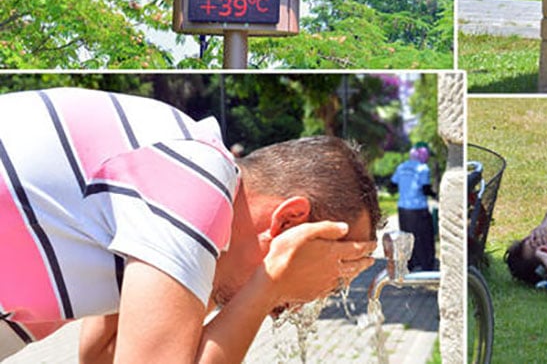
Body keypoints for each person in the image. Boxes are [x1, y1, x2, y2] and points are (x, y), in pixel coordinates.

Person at [0, 87, 382, 362]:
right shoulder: (197, 176)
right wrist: (270, 283)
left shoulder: (172, 203)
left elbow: (102, 355)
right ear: (289, 222)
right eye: (335, 274)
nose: (303, 305)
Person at [390, 143, 437, 271]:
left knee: (407, 236)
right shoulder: (423, 168)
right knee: (424, 236)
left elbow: (392, 185)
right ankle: (426, 265)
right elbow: (426, 189)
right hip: (418, 208)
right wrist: (436, 195)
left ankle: (410, 264)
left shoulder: (401, 167)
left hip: (403, 208)